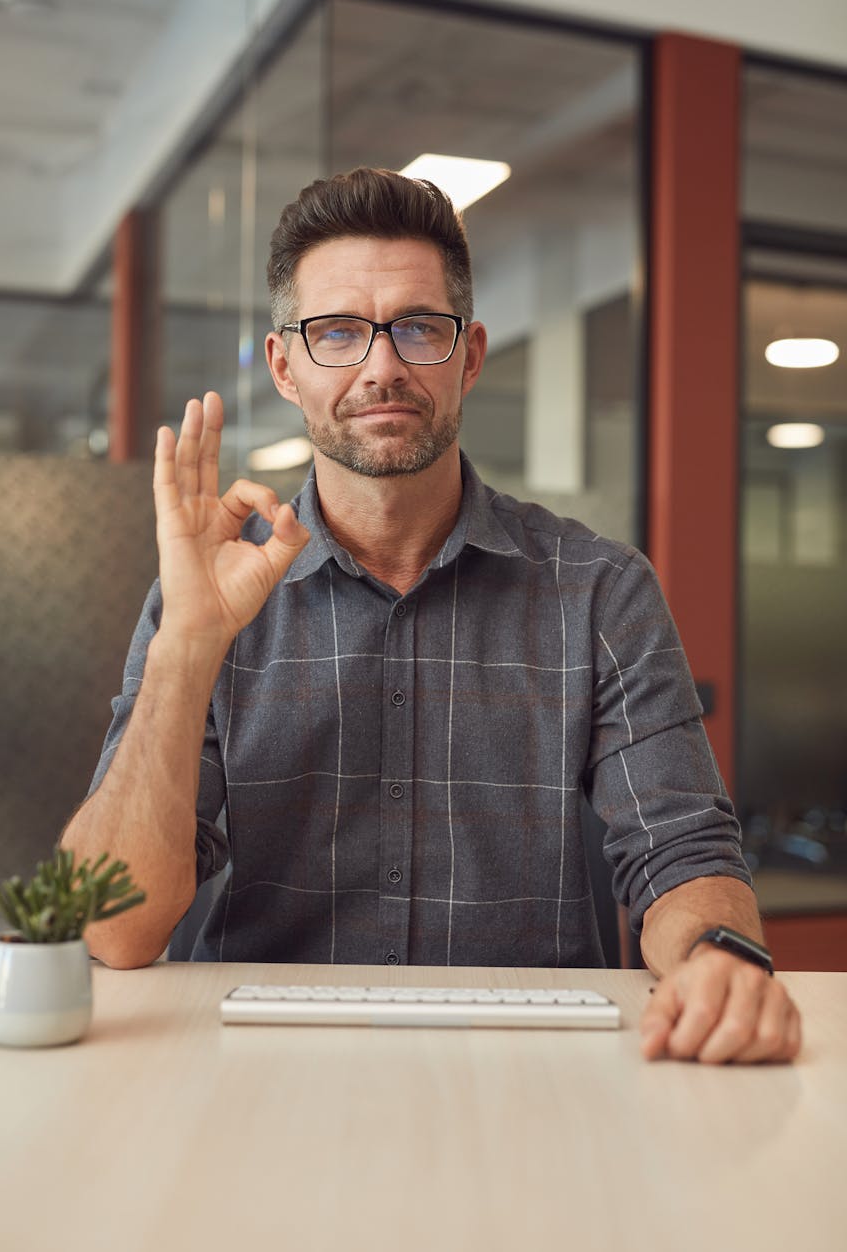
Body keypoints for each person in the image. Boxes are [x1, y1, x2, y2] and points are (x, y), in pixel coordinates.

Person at [61, 166, 801, 1064]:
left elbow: (681, 851)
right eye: (337, 332)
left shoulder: (598, 588)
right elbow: (110, 929)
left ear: (469, 355)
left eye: (417, 328)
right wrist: (188, 645)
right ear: (285, 366)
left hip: (534, 1075)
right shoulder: (208, 594)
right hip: (256, 1073)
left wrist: (716, 958)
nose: (382, 367)